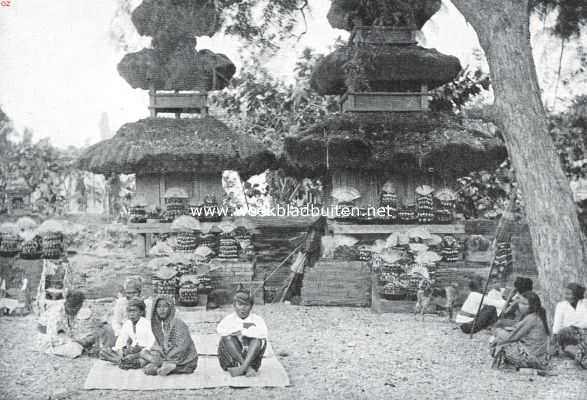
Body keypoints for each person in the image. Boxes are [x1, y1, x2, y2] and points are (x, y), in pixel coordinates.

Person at [139, 297, 198, 376]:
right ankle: (163, 367)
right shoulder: (161, 325)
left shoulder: (178, 323)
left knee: (149, 365)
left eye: (165, 306)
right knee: (144, 355)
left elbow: (182, 347)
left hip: (183, 359)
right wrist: (156, 355)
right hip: (166, 357)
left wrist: (165, 359)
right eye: (159, 307)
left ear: (170, 308)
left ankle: (171, 367)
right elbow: (158, 345)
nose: (162, 309)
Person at [491, 291, 550, 370]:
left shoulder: (531, 318)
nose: (521, 306)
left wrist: (497, 331)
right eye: (520, 303)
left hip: (533, 357)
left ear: (532, 306)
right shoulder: (534, 315)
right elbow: (516, 328)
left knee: (500, 344)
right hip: (539, 355)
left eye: (525, 304)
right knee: (501, 340)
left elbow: (511, 337)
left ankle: (509, 364)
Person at [217, 288, 268, 377]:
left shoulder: (257, 319)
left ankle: (242, 368)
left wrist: (244, 332)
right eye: (240, 304)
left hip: (251, 356)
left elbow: (263, 333)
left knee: (257, 341)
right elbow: (221, 330)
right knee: (227, 338)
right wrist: (237, 331)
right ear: (234, 306)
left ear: (251, 306)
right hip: (232, 358)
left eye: (246, 305)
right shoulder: (229, 319)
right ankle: (247, 368)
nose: (243, 308)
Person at [99, 298, 155, 368]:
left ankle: (126, 362)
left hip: (144, 352)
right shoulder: (127, 324)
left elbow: (152, 344)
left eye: (134, 311)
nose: (131, 314)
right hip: (131, 351)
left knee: (147, 357)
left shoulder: (147, 324)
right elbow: (121, 340)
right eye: (129, 311)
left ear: (141, 312)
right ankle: (124, 361)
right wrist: (120, 350)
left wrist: (137, 353)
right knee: (104, 352)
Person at [552, 283, 587, 368]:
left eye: (569, 294)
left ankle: (581, 352)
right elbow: (557, 326)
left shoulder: (585, 304)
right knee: (565, 334)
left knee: (571, 348)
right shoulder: (561, 306)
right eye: (565, 294)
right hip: (568, 336)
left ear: (576, 294)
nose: (566, 296)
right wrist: (554, 343)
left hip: (584, 335)